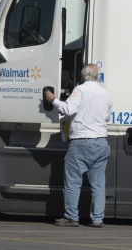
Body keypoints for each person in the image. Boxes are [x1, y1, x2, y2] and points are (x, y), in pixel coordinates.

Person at [44, 63, 112, 228]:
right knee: (98, 184)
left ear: (83, 76)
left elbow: (68, 109)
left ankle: (71, 217)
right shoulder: (105, 93)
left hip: (81, 142)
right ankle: (97, 219)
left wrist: (53, 99)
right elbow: (108, 117)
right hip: (101, 142)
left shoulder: (80, 90)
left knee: (73, 181)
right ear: (96, 76)